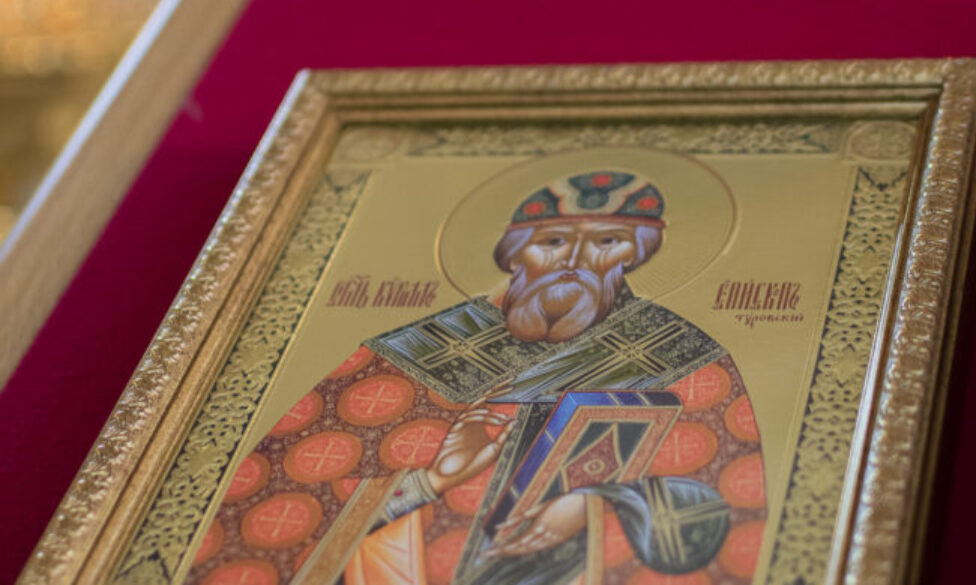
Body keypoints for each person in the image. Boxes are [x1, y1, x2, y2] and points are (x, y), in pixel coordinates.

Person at [188, 171, 766, 585]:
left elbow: (731, 500)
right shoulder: (417, 350)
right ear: (514, 255)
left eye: (607, 242)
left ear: (633, 257)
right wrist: (425, 484)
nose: (576, 260)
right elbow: (270, 501)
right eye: (553, 242)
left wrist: (600, 503)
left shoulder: (682, 353)